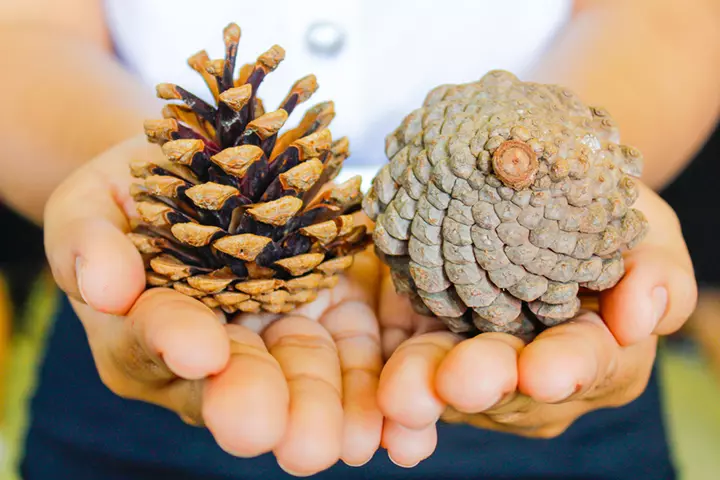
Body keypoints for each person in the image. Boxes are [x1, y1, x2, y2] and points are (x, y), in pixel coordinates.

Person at [1, 0, 718, 478]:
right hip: (146, 309)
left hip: (549, 353)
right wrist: (151, 182)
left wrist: (579, 174)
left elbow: (665, 14)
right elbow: (25, 30)